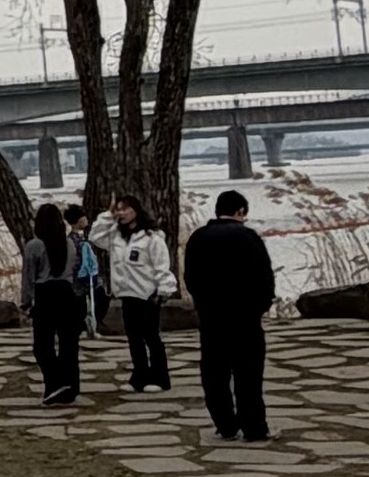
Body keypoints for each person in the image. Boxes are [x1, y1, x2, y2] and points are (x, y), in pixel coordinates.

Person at [183, 187, 275, 443]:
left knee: (215, 375)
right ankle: (254, 426)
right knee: (249, 376)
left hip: (212, 317)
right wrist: (261, 306)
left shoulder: (197, 238)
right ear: (240, 211)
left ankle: (225, 424)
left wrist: (203, 303)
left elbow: (190, 278)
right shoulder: (249, 237)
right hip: (246, 318)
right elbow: (264, 276)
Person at [102, 194, 175, 393]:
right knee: (134, 338)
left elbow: (161, 265)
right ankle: (139, 376)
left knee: (151, 337)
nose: (121, 213)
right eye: (118, 209)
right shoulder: (115, 235)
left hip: (147, 294)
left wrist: (164, 288)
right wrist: (107, 216)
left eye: (125, 209)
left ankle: (160, 377)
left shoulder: (151, 237)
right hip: (127, 293)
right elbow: (95, 237)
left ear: (136, 211)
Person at [22, 197, 87, 404]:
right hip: (67, 293)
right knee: (69, 344)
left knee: (42, 345)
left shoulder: (34, 246)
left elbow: (28, 276)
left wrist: (25, 302)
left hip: (45, 295)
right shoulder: (68, 243)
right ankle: (71, 384)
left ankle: (56, 381)